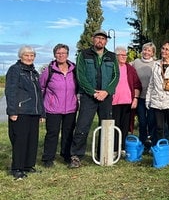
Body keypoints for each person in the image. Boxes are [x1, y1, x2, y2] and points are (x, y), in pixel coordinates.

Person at [69, 30, 119, 168]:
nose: (100, 41)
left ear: (106, 41)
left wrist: (106, 91)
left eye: (103, 39)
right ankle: (76, 156)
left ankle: (103, 154)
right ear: (93, 39)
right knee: (82, 126)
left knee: (106, 126)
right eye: (98, 38)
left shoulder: (111, 56)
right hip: (88, 97)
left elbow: (116, 76)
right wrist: (93, 92)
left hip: (106, 97)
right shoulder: (83, 54)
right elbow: (80, 75)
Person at [6, 46, 45, 180]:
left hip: (33, 112)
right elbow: (10, 92)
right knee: (20, 141)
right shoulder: (15, 70)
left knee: (32, 140)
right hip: (20, 111)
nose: (29, 58)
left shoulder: (34, 72)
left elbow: (39, 94)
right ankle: (17, 168)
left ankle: (29, 165)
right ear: (21, 56)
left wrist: (42, 112)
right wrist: (12, 111)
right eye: (26, 55)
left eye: (32, 55)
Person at [39, 44, 78, 168]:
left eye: (64, 53)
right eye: (58, 53)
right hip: (53, 108)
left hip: (71, 108)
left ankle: (66, 156)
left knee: (68, 132)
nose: (61, 55)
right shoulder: (48, 71)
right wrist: (41, 107)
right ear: (54, 55)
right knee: (52, 133)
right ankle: (48, 158)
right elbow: (41, 88)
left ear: (67, 54)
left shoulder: (75, 69)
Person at [112, 46, 142, 155]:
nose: (125, 57)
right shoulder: (112, 67)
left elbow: (137, 85)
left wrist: (135, 99)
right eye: (122, 55)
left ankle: (123, 148)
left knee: (125, 126)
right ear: (116, 56)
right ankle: (114, 148)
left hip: (127, 102)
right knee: (115, 125)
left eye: (125, 55)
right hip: (114, 102)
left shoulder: (130, 68)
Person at [131, 42, 157, 148]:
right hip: (140, 97)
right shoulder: (136, 62)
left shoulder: (156, 63)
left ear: (153, 53)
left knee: (151, 120)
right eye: (145, 50)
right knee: (142, 121)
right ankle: (142, 140)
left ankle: (151, 140)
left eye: (149, 50)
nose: (146, 52)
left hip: (151, 98)